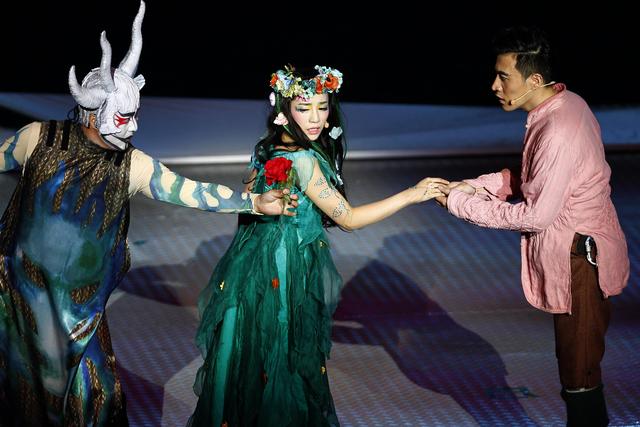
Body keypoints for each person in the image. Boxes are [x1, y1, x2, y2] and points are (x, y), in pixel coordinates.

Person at [0, 2, 297, 425]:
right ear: (92, 115)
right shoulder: (38, 139)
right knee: (22, 394)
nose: (134, 127)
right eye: (123, 117)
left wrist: (252, 202)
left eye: (135, 115)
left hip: (79, 311)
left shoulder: (131, 165)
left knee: (97, 397)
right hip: (21, 297)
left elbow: (190, 191)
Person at [187, 65, 447, 426]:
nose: (315, 119)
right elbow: (348, 219)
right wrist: (411, 194)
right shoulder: (304, 160)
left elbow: (248, 200)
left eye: (322, 107)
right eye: (304, 108)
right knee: (283, 366)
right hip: (283, 273)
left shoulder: (265, 148)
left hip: (250, 270)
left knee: (251, 366)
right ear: (284, 109)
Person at [437, 26, 629, 426]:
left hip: (580, 255)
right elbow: (536, 177)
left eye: (503, 76)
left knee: (579, 369)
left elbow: (536, 215)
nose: (494, 85)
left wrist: (462, 204)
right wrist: (474, 185)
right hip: (578, 249)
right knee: (577, 365)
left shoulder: (558, 128)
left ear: (534, 79)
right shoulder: (565, 103)